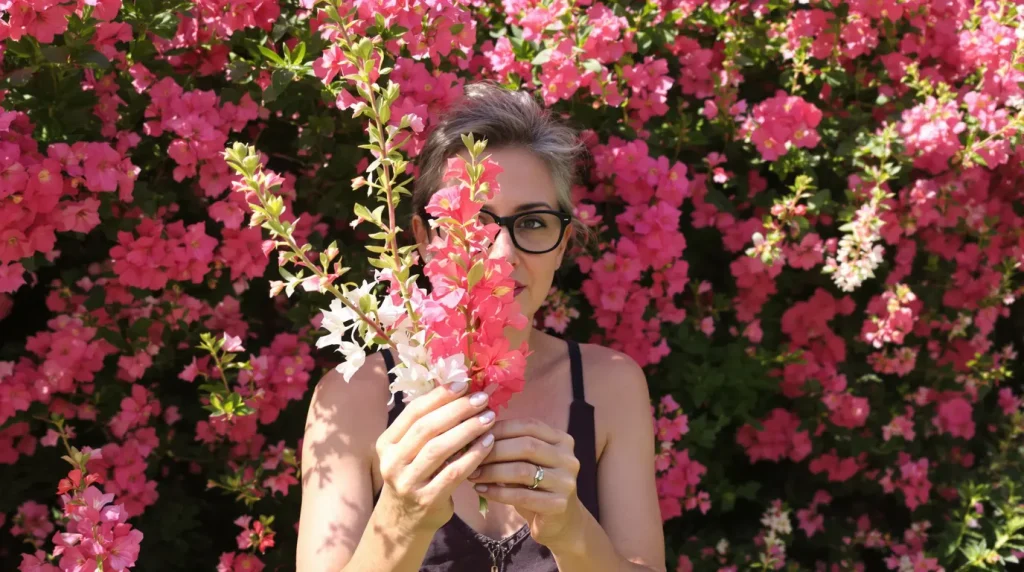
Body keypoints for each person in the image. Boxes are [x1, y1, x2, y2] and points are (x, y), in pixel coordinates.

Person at [297, 81, 666, 572]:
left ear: (562, 243)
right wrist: (403, 517)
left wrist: (571, 531)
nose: (502, 256)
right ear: (426, 241)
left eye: (533, 223)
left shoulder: (610, 387)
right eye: (474, 223)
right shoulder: (348, 400)